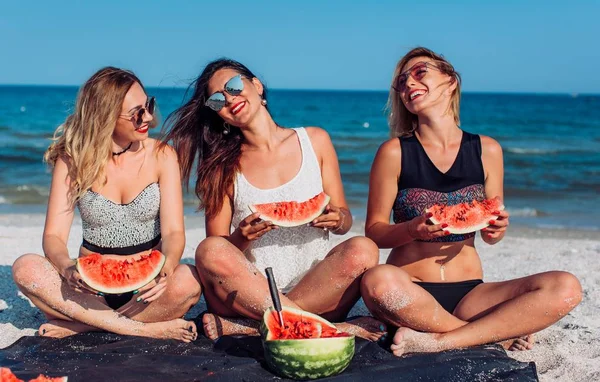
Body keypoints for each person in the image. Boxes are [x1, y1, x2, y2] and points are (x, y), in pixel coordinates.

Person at [361, 47, 582, 356]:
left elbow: (492, 231)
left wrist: (496, 230)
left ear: (451, 81)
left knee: (566, 286)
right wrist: (412, 229)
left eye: (419, 72)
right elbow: (374, 231)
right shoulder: (394, 152)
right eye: (401, 82)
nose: (408, 84)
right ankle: (482, 336)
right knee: (376, 280)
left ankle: (442, 340)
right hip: (407, 291)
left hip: (471, 293)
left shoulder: (487, 150)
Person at [162, 58, 384, 341]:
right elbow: (217, 253)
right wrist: (242, 237)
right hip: (249, 296)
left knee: (363, 248)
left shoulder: (315, 141)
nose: (229, 99)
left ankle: (256, 328)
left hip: (317, 286)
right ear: (219, 115)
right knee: (208, 249)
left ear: (256, 85)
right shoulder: (221, 167)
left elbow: (344, 219)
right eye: (217, 100)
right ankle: (328, 328)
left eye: (233, 86)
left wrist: (339, 218)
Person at [12, 67, 201, 342]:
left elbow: (173, 233)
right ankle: (141, 328)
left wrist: (167, 268)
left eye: (148, 105)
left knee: (189, 280)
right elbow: (53, 236)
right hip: (88, 290)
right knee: (25, 268)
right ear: (106, 117)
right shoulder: (72, 160)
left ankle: (88, 325)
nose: (148, 117)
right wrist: (66, 268)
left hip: (146, 290)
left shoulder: (162, 155)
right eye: (137, 113)